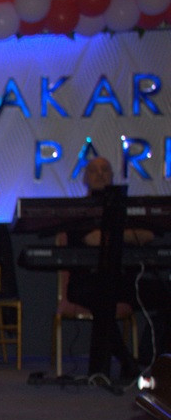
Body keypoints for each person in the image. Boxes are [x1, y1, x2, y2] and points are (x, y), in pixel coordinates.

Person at [65, 156, 167, 381]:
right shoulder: (80, 210)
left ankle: (153, 359)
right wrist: (126, 236)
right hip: (86, 282)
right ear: (85, 178)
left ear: (112, 176)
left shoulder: (124, 208)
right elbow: (92, 239)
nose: (100, 174)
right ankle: (127, 362)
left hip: (122, 280)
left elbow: (148, 235)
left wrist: (117, 236)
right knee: (103, 300)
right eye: (94, 171)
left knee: (164, 293)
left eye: (105, 170)